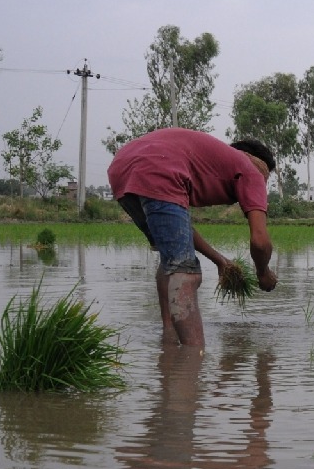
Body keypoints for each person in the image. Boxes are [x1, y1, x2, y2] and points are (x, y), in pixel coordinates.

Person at [108, 128, 279, 347]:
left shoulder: (211, 160)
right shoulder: (252, 170)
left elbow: (182, 229)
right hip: (158, 168)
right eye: (265, 180)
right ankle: (192, 357)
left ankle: (169, 340)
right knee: (186, 272)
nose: (262, 185)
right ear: (259, 165)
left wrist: (220, 261)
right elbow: (260, 241)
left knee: (171, 259)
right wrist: (263, 273)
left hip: (122, 168)